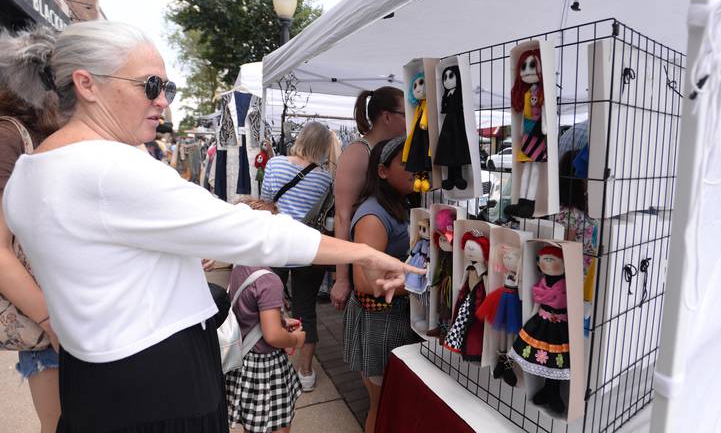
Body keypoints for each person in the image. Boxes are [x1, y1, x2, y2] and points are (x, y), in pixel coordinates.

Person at [0, 21, 423, 432]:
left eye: (167, 89)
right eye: (150, 85)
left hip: (88, 371)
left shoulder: (29, 172)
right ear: (87, 84)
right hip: (159, 378)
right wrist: (364, 252)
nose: (163, 101)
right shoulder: (113, 167)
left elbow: (99, 257)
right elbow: (257, 232)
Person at [0, 26, 63, 433]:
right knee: (62, 424)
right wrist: (49, 320)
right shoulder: (9, 135)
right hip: (48, 318)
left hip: (76, 309)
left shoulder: (53, 134)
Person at [342, 137, 421, 433]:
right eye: (406, 162)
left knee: (388, 402)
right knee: (382, 403)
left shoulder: (396, 205)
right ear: (383, 171)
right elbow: (366, 283)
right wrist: (422, 281)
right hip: (380, 323)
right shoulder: (374, 215)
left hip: (388, 320)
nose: (414, 168)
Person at [261, 121, 340, 392]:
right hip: (307, 249)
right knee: (306, 310)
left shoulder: (275, 164)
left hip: (278, 247)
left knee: (269, 307)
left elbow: (266, 204)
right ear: (323, 146)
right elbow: (322, 213)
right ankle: (305, 373)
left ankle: (271, 367)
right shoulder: (326, 178)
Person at [225, 198, 305, 433]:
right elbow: (272, 336)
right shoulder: (269, 280)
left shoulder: (240, 265)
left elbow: (251, 313)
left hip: (245, 359)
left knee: (255, 425)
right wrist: (295, 340)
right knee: (278, 425)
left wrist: (279, 321)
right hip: (265, 367)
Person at [330, 86, 405, 311]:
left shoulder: (391, 150)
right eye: (406, 114)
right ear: (387, 116)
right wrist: (342, 278)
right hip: (363, 269)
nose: (410, 121)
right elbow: (342, 216)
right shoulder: (358, 152)